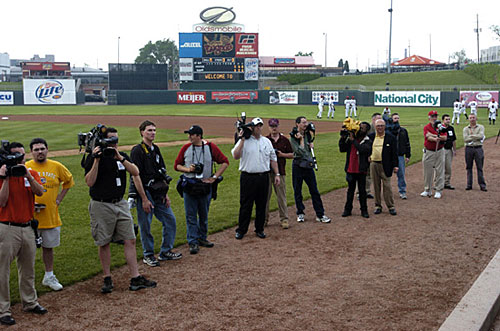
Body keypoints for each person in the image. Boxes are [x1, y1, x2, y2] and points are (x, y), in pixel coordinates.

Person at [84, 127, 156, 293]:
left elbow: (135, 172)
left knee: (130, 239)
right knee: (104, 242)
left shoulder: (121, 156)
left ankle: (135, 277)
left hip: (120, 203)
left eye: (116, 140)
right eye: (110, 140)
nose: (114, 143)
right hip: (101, 204)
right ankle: (107, 277)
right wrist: (96, 160)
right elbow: (89, 182)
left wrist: (120, 158)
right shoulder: (94, 158)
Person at [0, 142, 47, 326]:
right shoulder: (2, 176)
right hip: (6, 228)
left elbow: (40, 192)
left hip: (27, 227)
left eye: (22, 155)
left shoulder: (31, 173)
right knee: (2, 271)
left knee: (28, 269)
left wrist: (27, 173)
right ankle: (3, 310)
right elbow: (2, 202)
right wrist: (5, 178)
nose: (20, 159)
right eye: (16, 156)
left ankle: (30, 302)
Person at [130, 120, 182, 266]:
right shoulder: (137, 151)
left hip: (158, 191)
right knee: (145, 224)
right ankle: (148, 254)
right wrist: (144, 199)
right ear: (142, 132)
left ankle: (165, 251)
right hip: (145, 192)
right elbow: (136, 176)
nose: (152, 133)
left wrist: (165, 194)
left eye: (154, 130)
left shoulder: (156, 149)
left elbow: (162, 172)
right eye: (149, 130)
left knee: (170, 220)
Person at [26, 138, 74, 292]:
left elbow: (68, 181)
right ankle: (28, 280)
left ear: (47, 149)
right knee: (28, 251)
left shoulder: (56, 166)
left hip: (50, 216)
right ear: (31, 152)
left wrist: (59, 198)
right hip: (29, 217)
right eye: (36, 149)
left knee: (48, 247)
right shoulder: (26, 167)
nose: (40, 152)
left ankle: (49, 275)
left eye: (42, 149)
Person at [174, 125, 229, 254]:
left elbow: (225, 162)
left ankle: (202, 238)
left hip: (205, 186)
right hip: (190, 185)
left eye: (191, 134)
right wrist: (188, 170)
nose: (189, 137)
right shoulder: (186, 148)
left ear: (199, 136)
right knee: (191, 216)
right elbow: (177, 165)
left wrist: (214, 177)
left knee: (204, 214)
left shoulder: (210, 147)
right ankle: (192, 241)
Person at [231, 117, 280, 239]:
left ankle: (259, 229)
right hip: (248, 177)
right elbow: (236, 155)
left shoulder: (266, 142)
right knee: (246, 204)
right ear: (252, 127)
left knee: (261, 205)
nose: (258, 128)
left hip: (263, 177)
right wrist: (242, 138)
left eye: (260, 125)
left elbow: (273, 159)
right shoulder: (245, 141)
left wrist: (277, 174)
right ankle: (241, 230)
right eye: (256, 126)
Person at [290, 116, 331, 223]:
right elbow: (300, 151)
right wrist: (302, 140)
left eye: (306, 122)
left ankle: (320, 214)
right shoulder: (293, 136)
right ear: (297, 124)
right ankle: (300, 213)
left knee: (314, 190)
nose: (305, 124)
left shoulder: (308, 134)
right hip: (298, 165)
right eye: (303, 122)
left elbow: (307, 149)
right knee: (297, 190)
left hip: (308, 165)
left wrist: (310, 144)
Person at [264, 118, 294, 229]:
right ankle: (264, 219)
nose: (274, 128)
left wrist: (282, 155)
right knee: (265, 197)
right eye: (272, 126)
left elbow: (292, 154)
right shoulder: (265, 140)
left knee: (281, 197)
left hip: (280, 172)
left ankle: (284, 219)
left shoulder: (284, 140)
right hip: (266, 172)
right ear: (269, 127)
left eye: (275, 126)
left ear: (278, 126)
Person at [339, 122, 372, 218]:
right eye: (359, 127)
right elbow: (342, 149)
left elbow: (363, 150)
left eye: (362, 128)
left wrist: (353, 140)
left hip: (361, 170)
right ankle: (347, 209)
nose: (359, 129)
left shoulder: (367, 141)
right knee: (350, 191)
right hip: (350, 169)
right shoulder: (351, 140)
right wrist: (343, 138)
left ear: (366, 131)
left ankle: (364, 210)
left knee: (362, 191)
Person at [368, 119, 398, 215]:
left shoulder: (390, 137)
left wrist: (395, 165)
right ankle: (377, 205)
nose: (380, 128)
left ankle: (391, 206)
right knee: (376, 186)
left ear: (385, 126)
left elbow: (394, 153)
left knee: (387, 186)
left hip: (386, 165)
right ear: (375, 127)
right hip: (374, 164)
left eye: (381, 125)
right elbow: (366, 149)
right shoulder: (370, 137)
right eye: (378, 126)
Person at [421, 110, 448, 199]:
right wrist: (436, 137)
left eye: (435, 116)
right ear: (429, 118)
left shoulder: (441, 126)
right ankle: (427, 189)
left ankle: (438, 190)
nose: (434, 118)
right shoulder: (426, 127)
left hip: (439, 150)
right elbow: (428, 137)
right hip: (429, 151)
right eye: (432, 116)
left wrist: (435, 136)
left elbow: (444, 137)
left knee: (440, 170)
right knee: (427, 171)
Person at [463, 114, 487, 191]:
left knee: (479, 167)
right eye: (470, 118)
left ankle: (482, 185)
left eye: (473, 118)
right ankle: (469, 184)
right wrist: (475, 136)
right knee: (469, 167)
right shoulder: (465, 129)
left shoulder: (480, 127)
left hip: (478, 148)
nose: (472, 119)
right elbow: (465, 139)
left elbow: (481, 136)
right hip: (469, 149)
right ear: (468, 119)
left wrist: (471, 136)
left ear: (476, 118)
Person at [390, 113, 411, 199]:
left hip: (400, 155)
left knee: (401, 174)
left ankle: (402, 191)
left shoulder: (403, 131)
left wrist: (408, 155)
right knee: (385, 175)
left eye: (398, 118)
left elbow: (407, 143)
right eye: (395, 118)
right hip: (389, 156)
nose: (397, 120)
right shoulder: (388, 131)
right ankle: (386, 192)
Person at [441, 114, 457, 190]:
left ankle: (447, 183)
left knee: (448, 167)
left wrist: (454, 150)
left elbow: (454, 139)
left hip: (449, 149)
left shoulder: (451, 128)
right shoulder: (440, 128)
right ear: (443, 120)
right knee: (440, 167)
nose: (448, 121)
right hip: (441, 149)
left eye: (449, 119)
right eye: (446, 119)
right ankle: (438, 183)